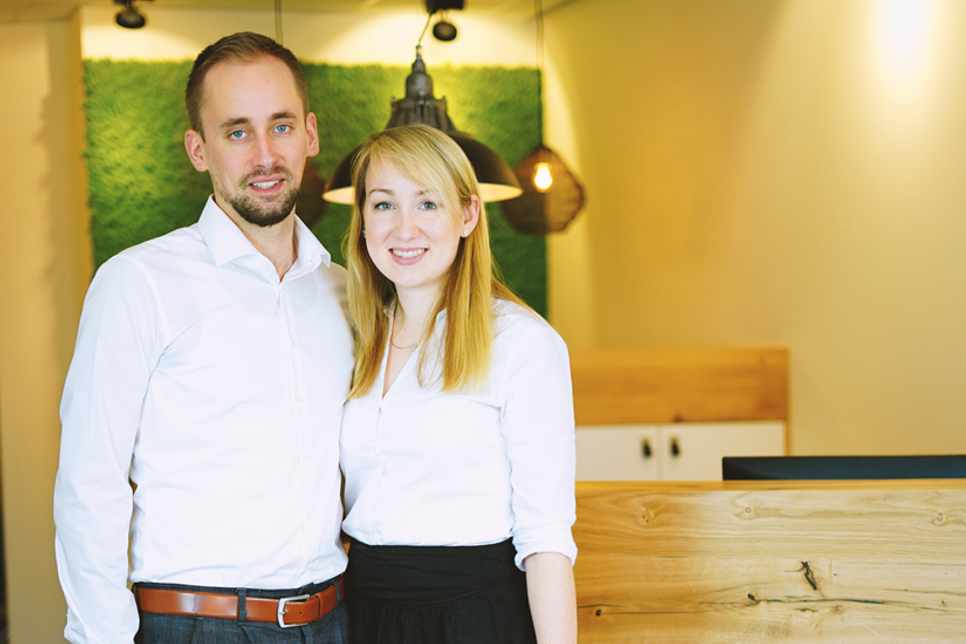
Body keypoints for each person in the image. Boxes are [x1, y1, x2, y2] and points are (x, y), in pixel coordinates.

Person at [53, 32, 353, 644]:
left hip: (336, 621)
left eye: (282, 126)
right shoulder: (136, 283)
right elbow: (90, 483)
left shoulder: (346, 293)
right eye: (237, 131)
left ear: (311, 135)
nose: (265, 155)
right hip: (194, 625)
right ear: (199, 148)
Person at [339, 124, 578, 644]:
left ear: (467, 214)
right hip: (361, 612)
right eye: (383, 205)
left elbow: (546, 536)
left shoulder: (520, 343)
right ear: (362, 223)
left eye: (427, 204)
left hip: (472, 615)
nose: (404, 229)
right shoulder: (357, 338)